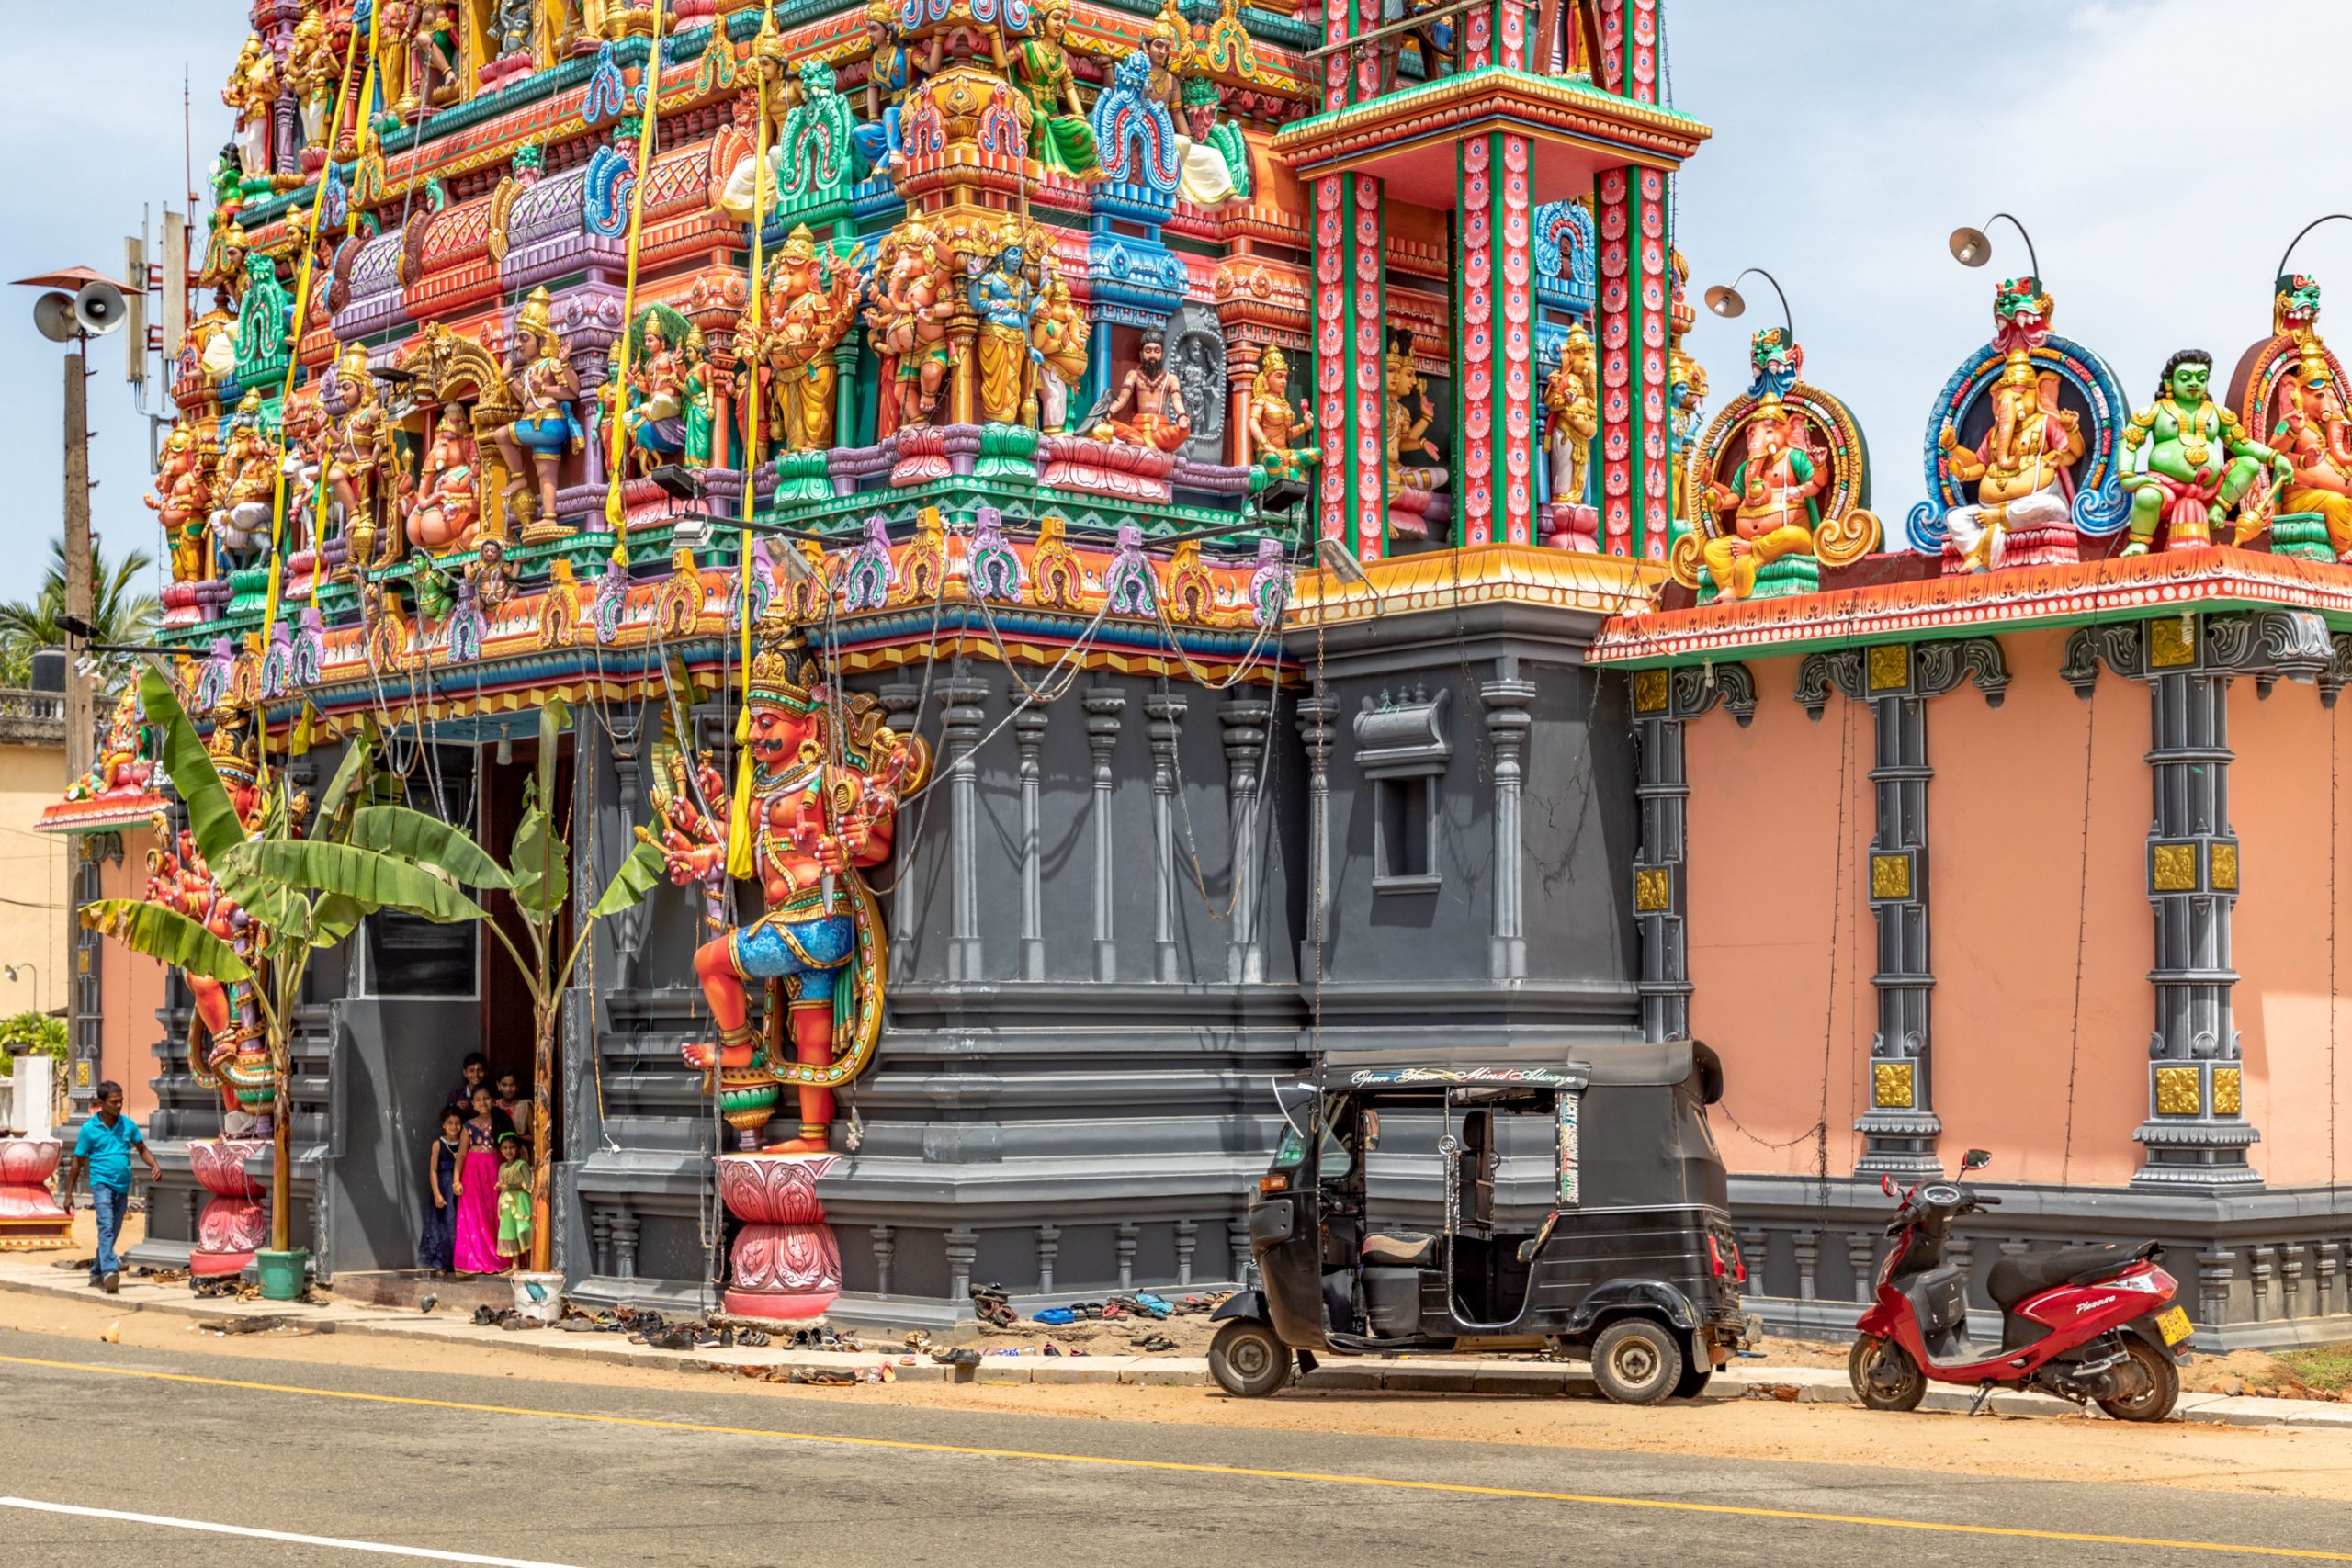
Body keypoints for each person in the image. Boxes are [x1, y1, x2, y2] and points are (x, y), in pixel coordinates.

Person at [66, 1081, 162, 1294]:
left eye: (120, 1101)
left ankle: (96, 1273)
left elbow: (142, 1148)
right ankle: (110, 1272)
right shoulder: (89, 1130)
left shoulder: (127, 1125)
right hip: (101, 1185)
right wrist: (69, 1194)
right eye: (113, 1102)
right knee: (106, 1227)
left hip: (122, 1186)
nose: (118, 1105)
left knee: (113, 1230)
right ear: (101, 1103)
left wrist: (154, 1164)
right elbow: (77, 1162)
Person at [451, 1086, 504, 1274]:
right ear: (473, 1104)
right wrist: (456, 1181)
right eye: (479, 1100)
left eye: (487, 1098)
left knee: (495, 1214)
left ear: (493, 1100)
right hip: (473, 1175)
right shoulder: (468, 1126)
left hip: (495, 1173)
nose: (483, 1103)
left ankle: (499, 1258)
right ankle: (473, 1260)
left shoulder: (500, 1121)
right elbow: (462, 1155)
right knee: (475, 1216)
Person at [418, 1107, 461, 1276]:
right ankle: (441, 1264)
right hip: (443, 1189)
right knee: (443, 1226)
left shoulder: (464, 1142)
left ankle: (457, 1263)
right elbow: (433, 1170)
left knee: (458, 1225)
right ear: (443, 1125)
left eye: (457, 1123)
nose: (454, 1126)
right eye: (450, 1123)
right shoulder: (438, 1144)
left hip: (459, 1189)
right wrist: (437, 1193)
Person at [494, 1133, 534, 1272]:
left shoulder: (521, 1165)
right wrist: (500, 1186)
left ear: (517, 1149)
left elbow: (529, 1184)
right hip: (507, 1204)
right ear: (500, 1150)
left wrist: (509, 1187)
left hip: (520, 1203)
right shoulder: (502, 1167)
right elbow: (503, 1183)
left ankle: (531, 1264)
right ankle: (515, 1266)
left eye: (512, 1147)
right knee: (510, 1232)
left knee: (523, 1230)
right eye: (505, 1148)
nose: (508, 1151)